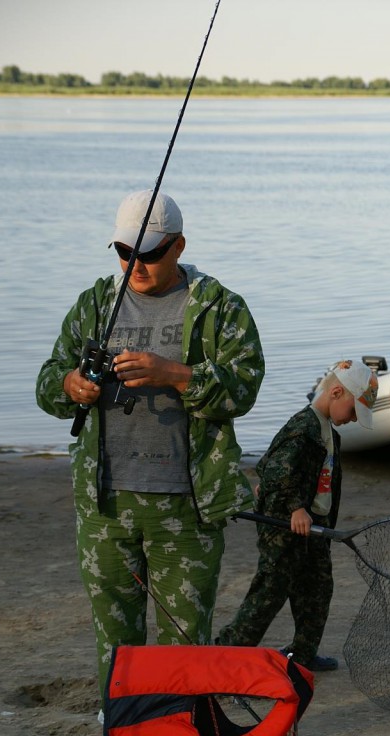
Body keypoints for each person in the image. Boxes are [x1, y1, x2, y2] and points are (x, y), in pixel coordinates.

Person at [36, 189, 264, 697]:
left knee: (186, 642)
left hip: (187, 509)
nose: (134, 265)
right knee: (115, 642)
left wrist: (175, 374)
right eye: (123, 251)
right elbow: (47, 382)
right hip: (104, 508)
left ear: (178, 246)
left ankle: (181, 729)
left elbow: (244, 390)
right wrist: (71, 385)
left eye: (150, 253)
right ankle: (120, 725)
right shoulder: (95, 303)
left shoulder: (220, 307)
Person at [217, 359, 378, 671]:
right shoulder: (303, 428)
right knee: (270, 590)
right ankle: (227, 653)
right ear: (336, 393)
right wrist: (295, 507)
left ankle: (303, 652)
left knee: (317, 587)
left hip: (314, 525)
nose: (353, 419)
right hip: (285, 526)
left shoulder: (328, 432)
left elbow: (275, 467)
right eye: (353, 410)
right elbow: (273, 467)